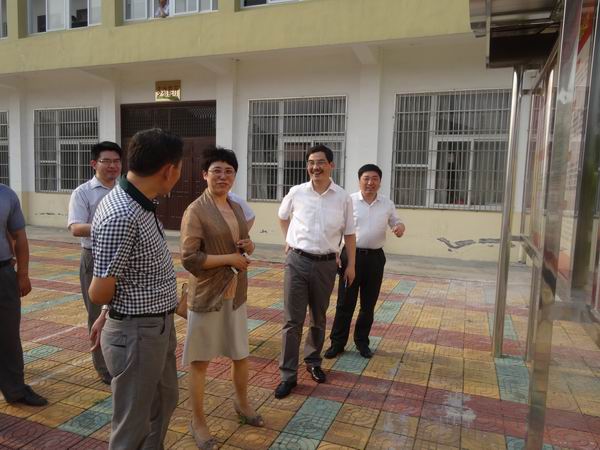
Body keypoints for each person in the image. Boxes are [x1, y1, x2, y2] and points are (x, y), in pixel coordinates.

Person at [88, 128, 182, 450]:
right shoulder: (122, 214)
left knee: (164, 400)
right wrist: (108, 310)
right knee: (133, 423)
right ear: (168, 170)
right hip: (137, 332)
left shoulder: (142, 205)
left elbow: (124, 271)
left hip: (156, 326)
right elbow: (99, 291)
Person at [180, 147, 263, 450]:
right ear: (204, 174)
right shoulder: (196, 210)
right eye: (216, 170)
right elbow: (189, 258)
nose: (223, 176)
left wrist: (248, 246)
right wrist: (229, 258)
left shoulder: (236, 207)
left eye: (229, 171)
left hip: (235, 293)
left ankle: (242, 403)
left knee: (240, 354)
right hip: (208, 294)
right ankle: (198, 421)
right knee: (200, 360)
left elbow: (242, 245)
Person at [275, 144, 356, 399]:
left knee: (318, 317)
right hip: (297, 261)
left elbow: (349, 233)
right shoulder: (297, 192)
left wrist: (351, 264)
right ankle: (288, 375)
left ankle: (313, 361)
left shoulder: (343, 197)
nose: (315, 167)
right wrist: (288, 240)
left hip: (326, 264)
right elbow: (282, 216)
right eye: (311, 162)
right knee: (292, 321)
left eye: (320, 162)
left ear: (331, 165)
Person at [324, 164, 405, 360]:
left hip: (375, 259)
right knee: (345, 303)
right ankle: (337, 343)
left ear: (380, 182)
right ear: (359, 180)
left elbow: (396, 221)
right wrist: (336, 252)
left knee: (368, 304)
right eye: (366, 178)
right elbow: (337, 228)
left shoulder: (387, 203)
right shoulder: (349, 201)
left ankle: (362, 342)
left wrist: (399, 227)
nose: (370, 182)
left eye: (374, 179)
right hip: (351, 257)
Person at [67, 141, 122, 385]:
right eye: (106, 161)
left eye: (116, 161)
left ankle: (121, 360)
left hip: (124, 257)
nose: (112, 166)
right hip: (95, 257)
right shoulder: (83, 192)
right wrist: (108, 227)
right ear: (94, 164)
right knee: (97, 312)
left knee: (122, 310)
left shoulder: (126, 189)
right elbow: (76, 227)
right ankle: (103, 367)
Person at [0, 184, 48, 407]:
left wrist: (23, 274)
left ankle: (15, 390)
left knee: (8, 334)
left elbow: (19, 235)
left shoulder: (6, 194)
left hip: (3, 274)